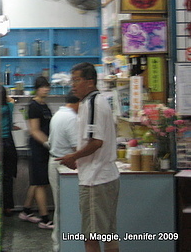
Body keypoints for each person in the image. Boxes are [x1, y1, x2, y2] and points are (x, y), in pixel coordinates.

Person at [57, 62, 120, 252]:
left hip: (95, 180)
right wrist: (79, 159)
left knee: (90, 238)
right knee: (109, 236)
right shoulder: (90, 102)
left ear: (90, 82)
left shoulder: (93, 103)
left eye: (77, 80)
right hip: (105, 176)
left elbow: (96, 142)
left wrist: (73, 156)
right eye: (72, 80)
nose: (73, 85)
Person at [18, 76, 54, 229]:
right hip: (38, 148)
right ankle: (45, 219)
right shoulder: (33, 106)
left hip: (44, 148)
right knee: (40, 184)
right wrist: (49, 144)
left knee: (37, 182)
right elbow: (34, 131)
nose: (46, 89)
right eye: (43, 87)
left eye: (47, 87)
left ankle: (26, 211)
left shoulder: (44, 104)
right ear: (37, 88)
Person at [48, 91, 80, 252]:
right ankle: (61, 245)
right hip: (65, 165)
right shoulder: (72, 118)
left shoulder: (58, 114)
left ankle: (58, 243)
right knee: (65, 207)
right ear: (78, 103)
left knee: (59, 205)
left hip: (55, 161)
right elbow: (77, 148)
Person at [0, 85, 18, 217]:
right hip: (8, 143)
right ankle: (8, 207)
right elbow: (11, 99)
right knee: (7, 177)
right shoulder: (9, 106)